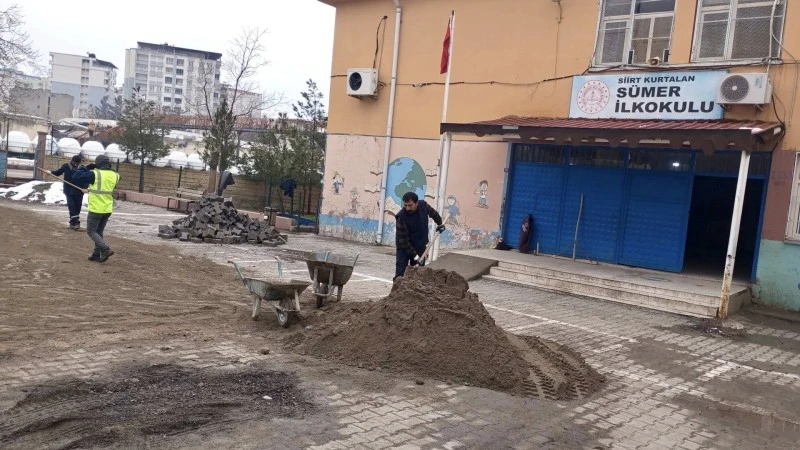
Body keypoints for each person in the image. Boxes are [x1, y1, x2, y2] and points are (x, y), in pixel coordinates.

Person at [73, 155, 120, 263]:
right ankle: (96, 254)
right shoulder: (116, 175)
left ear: (97, 164)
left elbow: (76, 176)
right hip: (107, 208)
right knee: (99, 231)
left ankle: (105, 249)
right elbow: (106, 185)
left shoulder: (95, 174)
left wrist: (86, 167)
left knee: (91, 231)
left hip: (96, 208)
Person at [394, 192, 446, 281]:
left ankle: (414, 289)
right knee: (400, 273)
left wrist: (440, 224)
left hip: (420, 244)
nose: (407, 208)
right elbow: (404, 242)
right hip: (404, 247)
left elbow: (434, 214)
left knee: (418, 274)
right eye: (405, 205)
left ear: (417, 203)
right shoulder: (401, 217)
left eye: (410, 205)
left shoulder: (423, 206)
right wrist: (416, 257)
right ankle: (397, 288)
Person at [50, 154, 88, 230]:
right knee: (72, 207)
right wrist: (50, 172)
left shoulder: (82, 168)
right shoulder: (66, 166)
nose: (76, 164)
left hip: (79, 191)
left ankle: (72, 223)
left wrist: (85, 187)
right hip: (68, 190)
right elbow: (58, 172)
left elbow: (86, 178)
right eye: (75, 163)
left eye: (78, 163)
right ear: (72, 161)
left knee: (78, 207)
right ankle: (76, 223)